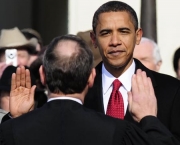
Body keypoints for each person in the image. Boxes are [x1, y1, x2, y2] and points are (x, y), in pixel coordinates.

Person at [0, 35, 179, 145]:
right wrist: (149, 118)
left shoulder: (12, 132)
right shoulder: (117, 131)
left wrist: (14, 120)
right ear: (91, 77)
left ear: (43, 75)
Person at [83, 1, 180, 141]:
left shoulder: (172, 90)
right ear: (94, 39)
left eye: (123, 31)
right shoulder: (80, 88)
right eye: (105, 33)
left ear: (138, 36)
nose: (115, 41)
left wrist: (148, 119)